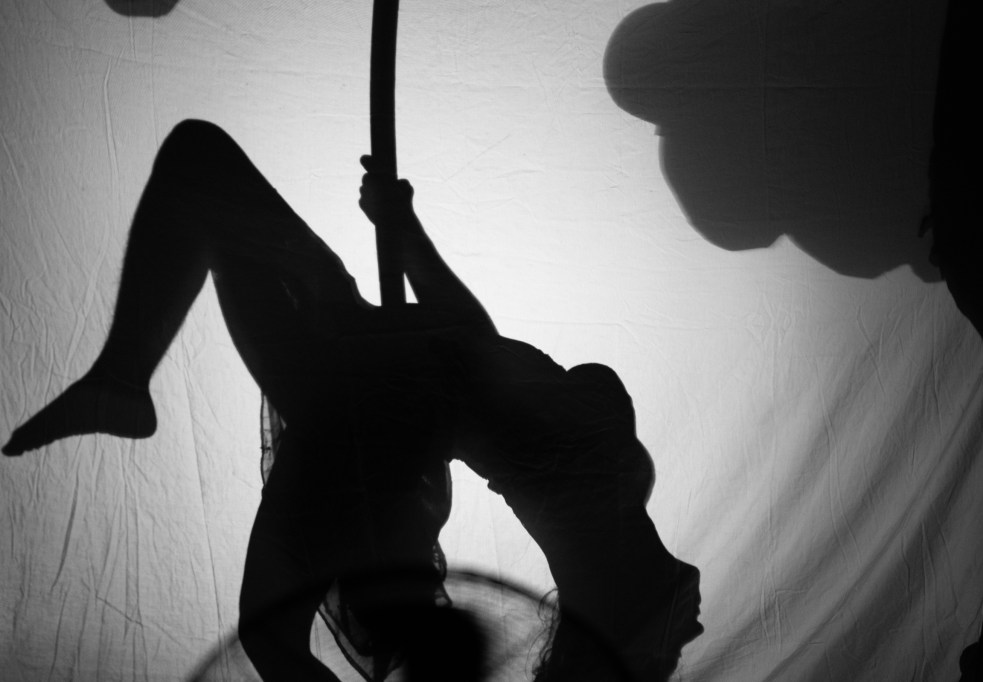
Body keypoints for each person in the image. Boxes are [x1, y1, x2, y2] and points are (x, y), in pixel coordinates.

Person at [3, 119, 701, 681]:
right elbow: (480, 350)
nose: (695, 629)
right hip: (382, 374)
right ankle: (121, 380)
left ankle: (121, 382)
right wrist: (405, 231)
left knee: (201, 163)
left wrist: (405, 244)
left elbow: (476, 362)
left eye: (671, 649)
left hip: (375, 399)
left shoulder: (592, 527)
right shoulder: (603, 478)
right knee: (204, 175)